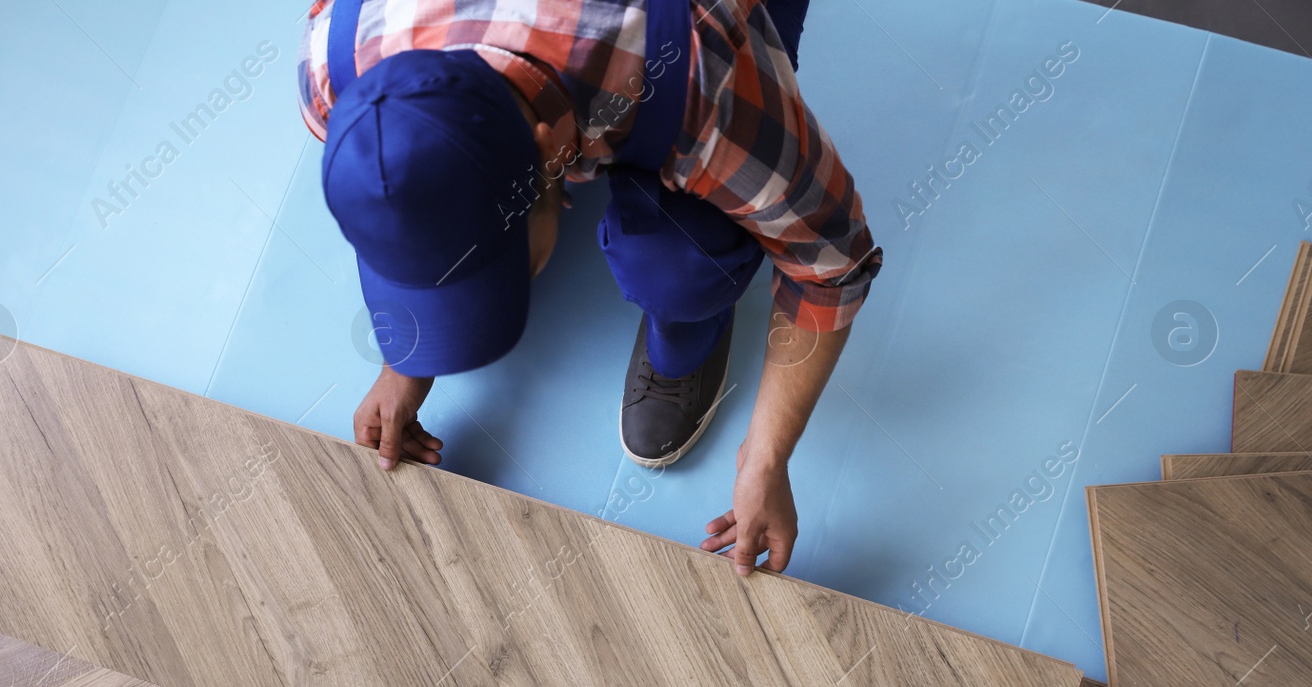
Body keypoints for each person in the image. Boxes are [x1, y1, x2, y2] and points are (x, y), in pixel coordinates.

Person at [299, 0, 880, 575]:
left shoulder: (703, 78)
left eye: (510, 271)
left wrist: (766, 460)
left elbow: (831, 261)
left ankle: (689, 328)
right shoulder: (338, 64)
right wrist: (406, 362)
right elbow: (397, 187)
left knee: (680, 268)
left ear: (555, 153)